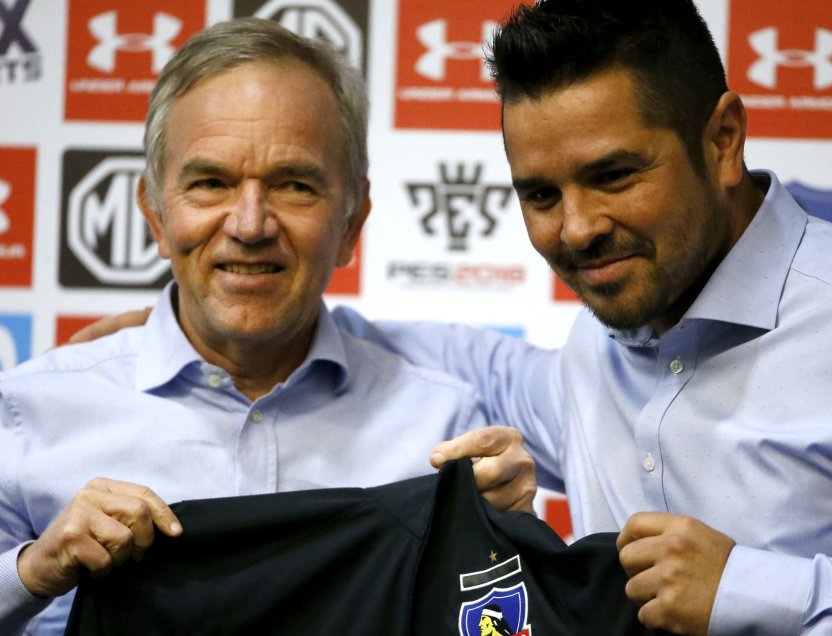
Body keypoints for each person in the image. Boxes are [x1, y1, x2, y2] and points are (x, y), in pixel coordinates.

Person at [70, 1, 832, 635]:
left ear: (722, 139)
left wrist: (758, 590)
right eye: (539, 192)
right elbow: (448, 357)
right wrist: (204, 323)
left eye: (614, 175)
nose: (575, 228)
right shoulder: (601, 342)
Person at [0, 18, 533, 636]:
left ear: (353, 223)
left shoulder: (443, 429)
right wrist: (35, 570)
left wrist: (505, 546)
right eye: (210, 183)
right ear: (154, 213)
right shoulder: (27, 413)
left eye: (294, 186)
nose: (250, 224)